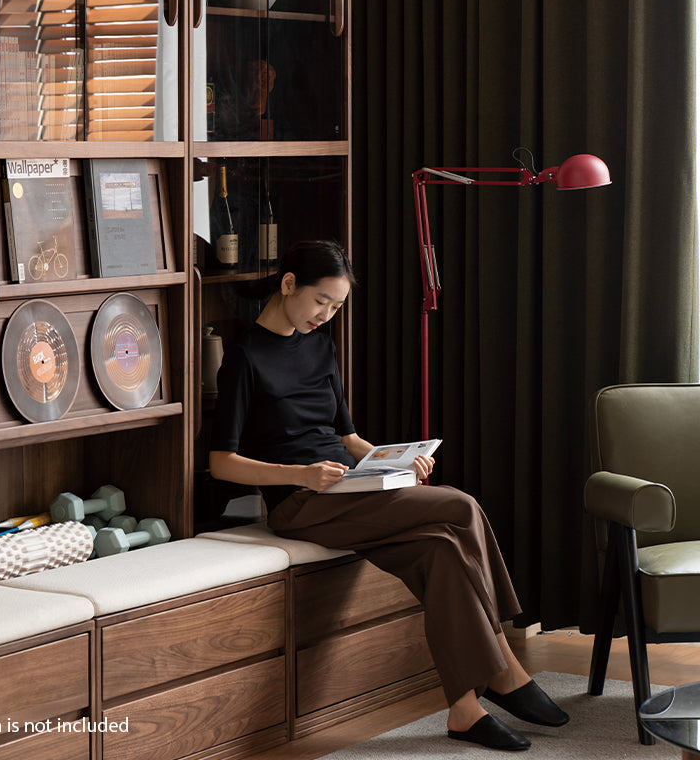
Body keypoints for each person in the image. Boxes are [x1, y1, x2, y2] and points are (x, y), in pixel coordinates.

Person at [209, 239, 568, 751]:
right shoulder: (244, 358)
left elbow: (348, 437)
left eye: (336, 308)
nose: (325, 316)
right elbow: (221, 463)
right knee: (460, 506)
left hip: (349, 490)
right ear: (288, 284)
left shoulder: (320, 345)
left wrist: (396, 461)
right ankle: (504, 664)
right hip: (301, 503)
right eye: (320, 302)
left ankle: (464, 710)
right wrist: (300, 475)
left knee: (442, 550)